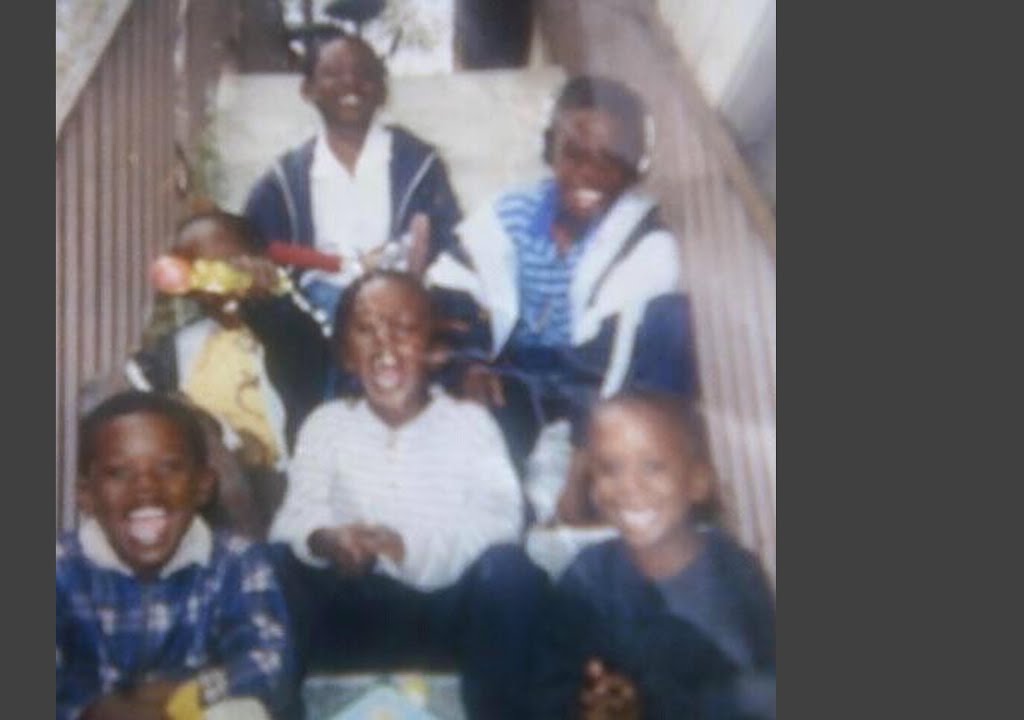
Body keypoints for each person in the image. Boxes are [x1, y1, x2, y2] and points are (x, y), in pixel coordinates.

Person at [267, 271, 547, 719]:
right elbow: (295, 515)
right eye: (366, 329)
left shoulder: (469, 424)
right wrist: (325, 539)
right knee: (276, 562)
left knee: (511, 571)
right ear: (346, 354)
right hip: (352, 612)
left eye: (404, 329)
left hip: (444, 610)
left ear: (435, 350)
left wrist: (407, 549)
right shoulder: (326, 424)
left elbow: (498, 522)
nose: (385, 344)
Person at [426, 75, 697, 519]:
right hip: (514, 374)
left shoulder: (644, 245)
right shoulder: (510, 216)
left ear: (636, 168)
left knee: (670, 322)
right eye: (574, 154)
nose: (589, 173)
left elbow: (611, 369)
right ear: (549, 149)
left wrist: (580, 467)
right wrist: (467, 364)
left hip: (590, 385)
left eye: (611, 159)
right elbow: (450, 293)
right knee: (479, 457)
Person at [531, 390, 775, 719]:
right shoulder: (587, 579)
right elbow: (554, 683)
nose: (628, 486)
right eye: (610, 469)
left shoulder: (734, 574)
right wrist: (589, 704)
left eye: (653, 467)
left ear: (697, 481)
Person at [56, 391, 294, 720]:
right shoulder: (62, 567)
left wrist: (192, 694)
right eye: (118, 473)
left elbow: (270, 658)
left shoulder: (236, 560)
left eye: (169, 468)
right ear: (87, 495)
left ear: (203, 485)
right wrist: (92, 711)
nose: (146, 487)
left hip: (194, 712)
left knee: (245, 712)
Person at [128, 210, 332, 532]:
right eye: (199, 270)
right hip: (206, 487)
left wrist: (267, 301)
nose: (216, 284)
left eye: (228, 266)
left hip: (284, 486)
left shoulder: (287, 329)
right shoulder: (183, 345)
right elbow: (144, 381)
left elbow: (304, 343)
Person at [243, 33, 463, 324]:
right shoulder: (286, 178)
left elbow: (449, 239)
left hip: (399, 302)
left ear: (382, 91)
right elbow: (257, 244)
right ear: (308, 90)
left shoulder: (419, 165)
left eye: (365, 74)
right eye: (333, 74)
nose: (350, 82)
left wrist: (418, 267)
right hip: (316, 310)